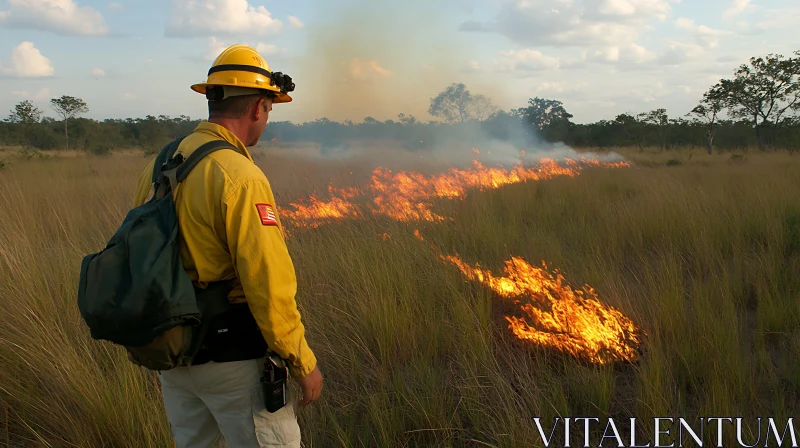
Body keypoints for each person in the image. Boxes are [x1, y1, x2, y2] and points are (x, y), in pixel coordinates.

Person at [130, 44, 322, 448]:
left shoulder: (160, 164)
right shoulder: (240, 175)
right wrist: (302, 361)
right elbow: (267, 281)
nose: (266, 118)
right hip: (232, 358)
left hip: (175, 355)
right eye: (269, 108)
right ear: (258, 107)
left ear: (212, 97)